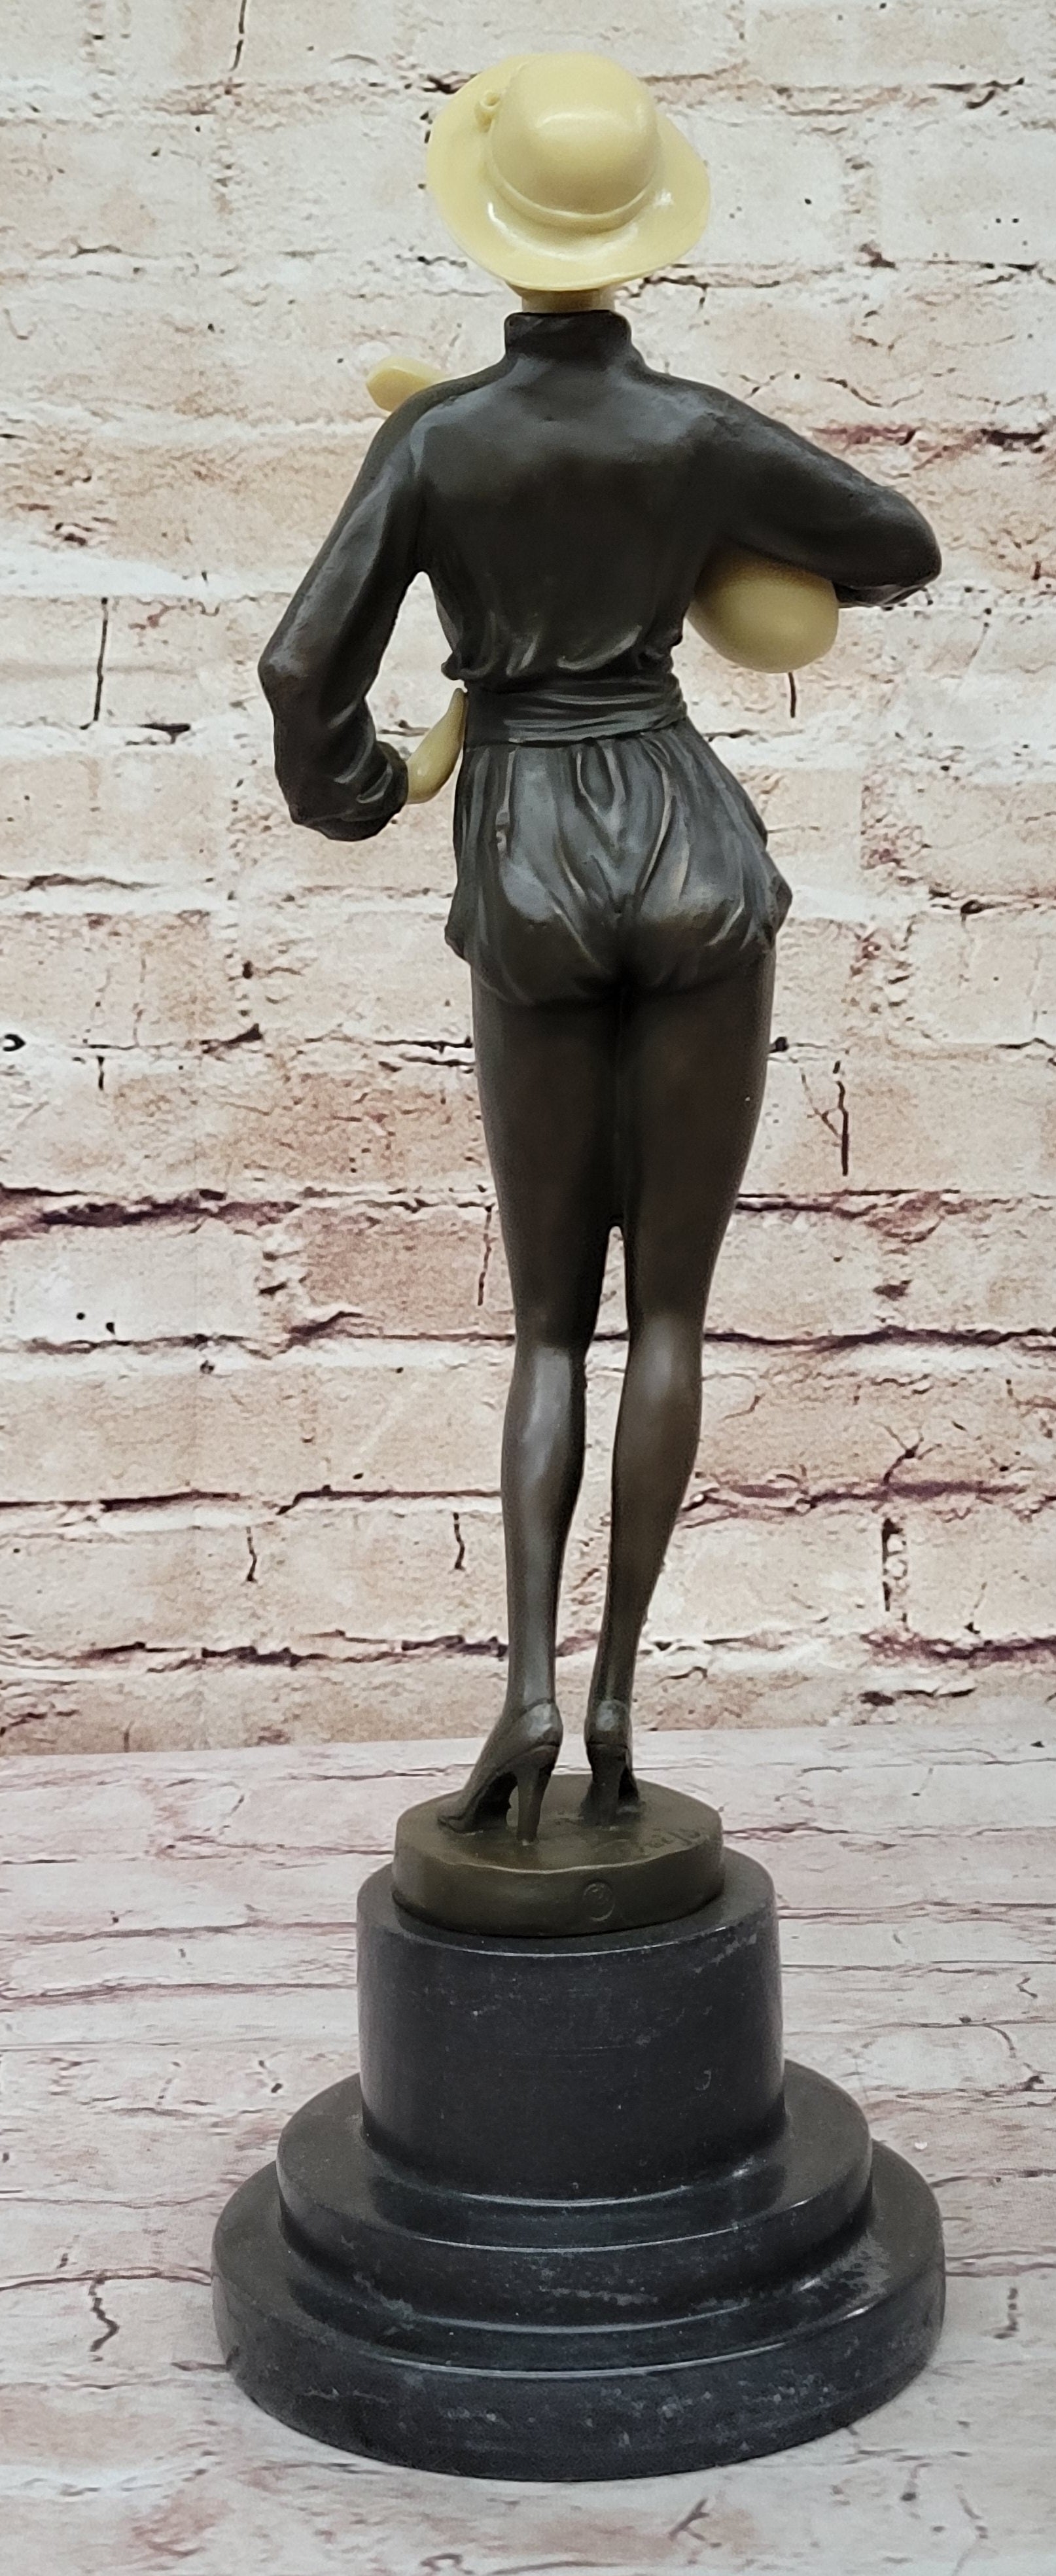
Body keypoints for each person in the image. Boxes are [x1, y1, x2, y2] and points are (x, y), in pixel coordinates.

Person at [259, 53, 941, 1843]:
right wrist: (723, 559)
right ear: (644, 230)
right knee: (676, 1313)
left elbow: (300, 664)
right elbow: (899, 544)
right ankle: (628, 1690)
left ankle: (528, 1692)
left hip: (530, 857)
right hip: (691, 843)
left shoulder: (435, 440)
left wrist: (358, 790)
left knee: (551, 1325)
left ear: (491, 225)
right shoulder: (696, 433)